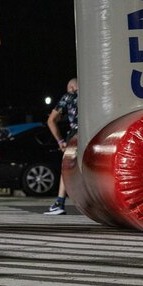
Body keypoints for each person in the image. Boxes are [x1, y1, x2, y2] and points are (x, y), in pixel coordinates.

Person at [45, 77, 78, 215]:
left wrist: (60, 141)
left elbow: (51, 120)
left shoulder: (69, 97)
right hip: (97, 132)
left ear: (71, 88)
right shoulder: (94, 94)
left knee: (66, 168)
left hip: (76, 134)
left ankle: (59, 203)